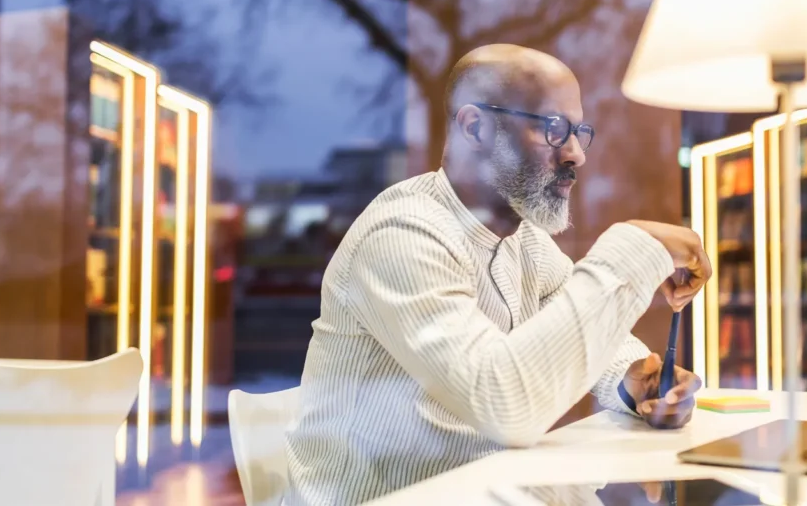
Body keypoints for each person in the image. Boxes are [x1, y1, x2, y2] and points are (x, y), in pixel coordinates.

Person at [282, 44, 712, 505]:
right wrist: (633, 247)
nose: (575, 155)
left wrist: (633, 377)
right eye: (552, 129)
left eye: (578, 132)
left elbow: (564, 321)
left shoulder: (523, 239)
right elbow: (502, 403)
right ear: (476, 127)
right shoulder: (402, 235)